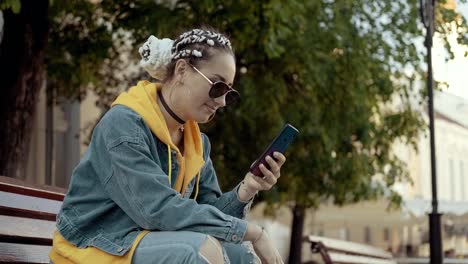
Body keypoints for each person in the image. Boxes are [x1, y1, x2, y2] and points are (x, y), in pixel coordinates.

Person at [49, 27, 286, 264]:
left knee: (242, 254)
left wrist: (248, 187)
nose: (222, 101)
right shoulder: (123, 126)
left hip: (148, 245)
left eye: (229, 93)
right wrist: (253, 232)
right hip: (92, 249)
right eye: (217, 86)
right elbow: (157, 209)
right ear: (182, 70)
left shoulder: (198, 144)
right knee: (199, 251)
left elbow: (212, 218)